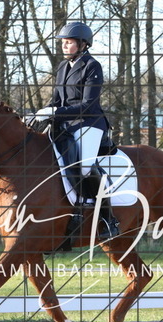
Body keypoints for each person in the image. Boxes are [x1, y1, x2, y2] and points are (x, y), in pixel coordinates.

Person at [35, 22, 119, 239]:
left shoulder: (92, 66)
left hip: (89, 123)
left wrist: (56, 112)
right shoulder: (63, 67)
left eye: (68, 42)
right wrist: (41, 113)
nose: (64, 46)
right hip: (65, 124)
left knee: (85, 167)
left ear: (82, 44)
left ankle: (108, 219)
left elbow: (88, 105)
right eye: (63, 42)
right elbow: (56, 100)